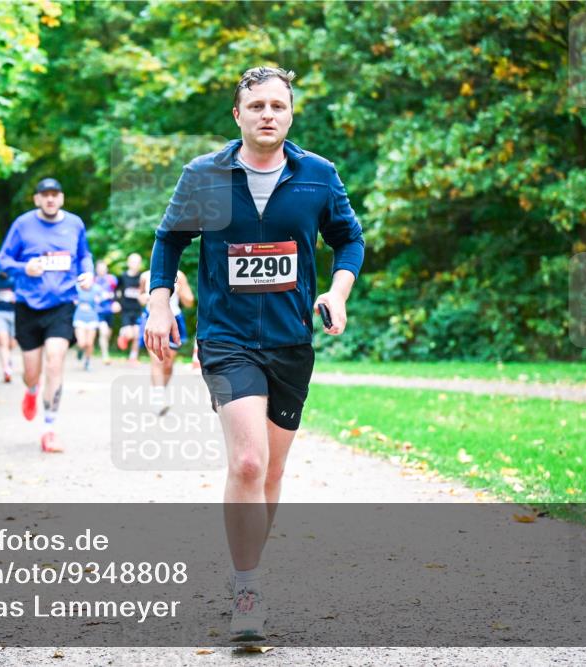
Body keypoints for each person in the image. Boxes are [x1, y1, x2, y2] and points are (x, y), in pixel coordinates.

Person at [144, 66, 365, 641]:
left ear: (290, 114)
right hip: (226, 338)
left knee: (271, 471)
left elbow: (350, 239)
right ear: (237, 115)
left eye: (279, 106)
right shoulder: (205, 175)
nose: (269, 114)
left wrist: (336, 292)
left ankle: (249, 572)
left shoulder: (318, 176)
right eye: (257, 105)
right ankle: (248, 592)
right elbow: (169, 240)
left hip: (292, 340)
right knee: (247, 463)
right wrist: (160, 306)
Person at [0, 177, 94, 453]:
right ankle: (30, 391)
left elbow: (84, 255)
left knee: (55, 361)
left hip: (62, 305)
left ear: (61, 198)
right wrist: (23, 268)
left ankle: (49, 428)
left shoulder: (74, 224)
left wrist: (87, 272)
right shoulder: (23, 224)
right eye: (45, 195)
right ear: (37, 199)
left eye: (55, 194)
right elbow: (3, 261)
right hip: (27, 306)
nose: (50, 199)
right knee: (31, 373)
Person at [138, 266, 194, 415]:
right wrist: (143, 298)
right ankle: (158, 398)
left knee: (168, 363)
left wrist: (182, 291)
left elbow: (189, 302)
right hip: (153, 317)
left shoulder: (179, 276)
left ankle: (160, 391)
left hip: (174, 319)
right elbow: (140, 296)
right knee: (157, 359)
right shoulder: (145, 276)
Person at [116, 253, 144, 364]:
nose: (135, 264)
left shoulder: (142, 277)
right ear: (128, 263)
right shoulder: (122, 277)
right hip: (126, 311)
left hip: (138, 310)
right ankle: (123, 335)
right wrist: (116, 302)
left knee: (137, 334)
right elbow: (116, 291)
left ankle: (133, 357)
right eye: (133, 262)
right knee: (130, 334)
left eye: (137, 262)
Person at [93, 260, 119, 365]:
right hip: (98, 311)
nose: (102, 270)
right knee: (103, 332)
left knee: (107, 333)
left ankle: (84, 349)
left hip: (110, 311)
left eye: (103, 268)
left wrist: (115, 301)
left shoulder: (112, 280)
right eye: (100, 268)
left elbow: (118, 292)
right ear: (97, 269)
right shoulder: (93, 281)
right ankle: (105, 355)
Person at [72, 279, 100, 371]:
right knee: (82, 343)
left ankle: (87, 361)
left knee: (89, 343)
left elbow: (102, 299)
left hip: (92, 318)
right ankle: (80, 350)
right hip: (79, 318)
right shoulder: (77, 289)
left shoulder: (96, 289)